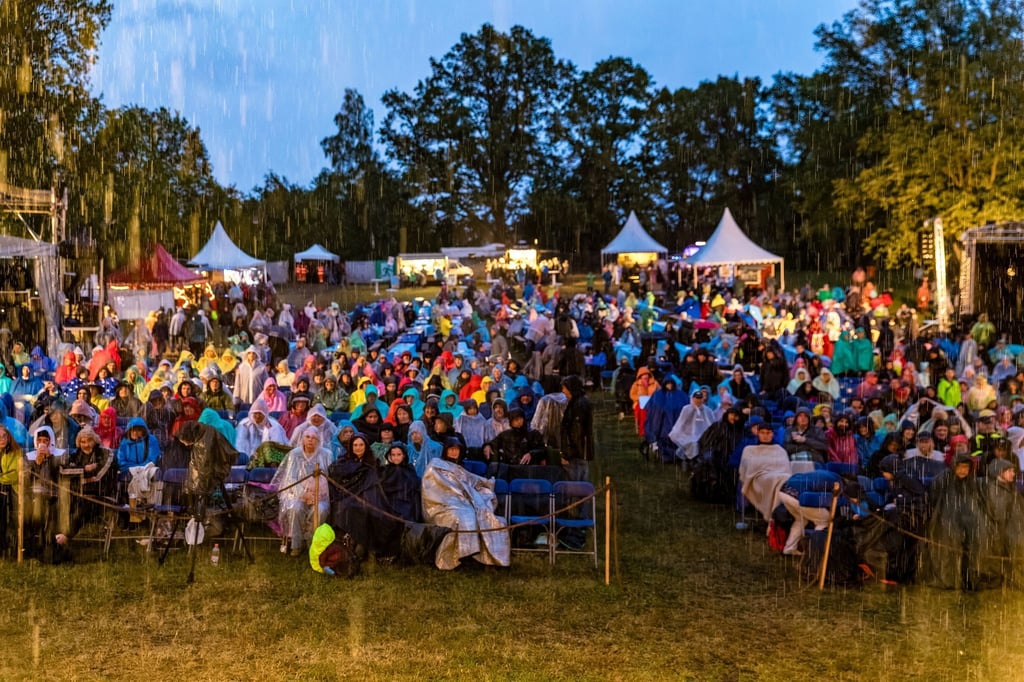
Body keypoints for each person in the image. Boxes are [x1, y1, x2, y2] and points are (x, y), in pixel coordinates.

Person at [918, 453, 991, 590]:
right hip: (945, 521)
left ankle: (969, 580)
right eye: (960, 467)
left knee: (972, 548)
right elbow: (934, 500)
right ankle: (949, 580)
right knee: (948, 550)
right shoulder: (943, 479)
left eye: (966, 467)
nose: (963, 471)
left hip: (968, 521)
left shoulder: (971, 482)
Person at [271, 426, 331, 556]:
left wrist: (316, 494)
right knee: (295, 508)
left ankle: (313, 543)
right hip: (296, 494)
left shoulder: (326, 454)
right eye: (307, 437)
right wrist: (303, 494)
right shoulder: (294, 454)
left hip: (319, 494)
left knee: (320, 510)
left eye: (314, 438)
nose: (310, 440)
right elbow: (290, 479)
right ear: (302, 439)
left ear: (318, 440)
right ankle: (296, 544)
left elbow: (328, 478)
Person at [738, 422, 792, 525]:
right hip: (758, 478)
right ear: (757, 433)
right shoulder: (749, 450)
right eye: (762, 432)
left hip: (780, 475)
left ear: (772, 434)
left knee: (783, 478)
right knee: (777, 480)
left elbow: (785, 467)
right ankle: (773, 516)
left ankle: (776, 516)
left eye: (768, 433)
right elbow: (746, 469)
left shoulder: (779, 450)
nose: (765, 435)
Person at [559, 375, 593, 481]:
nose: (563, 391)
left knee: (576, 483)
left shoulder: (578, 404)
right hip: (579, 450)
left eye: (564, 388)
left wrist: (568, 452)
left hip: (577, 452)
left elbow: (576, 431)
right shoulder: (578, 402)